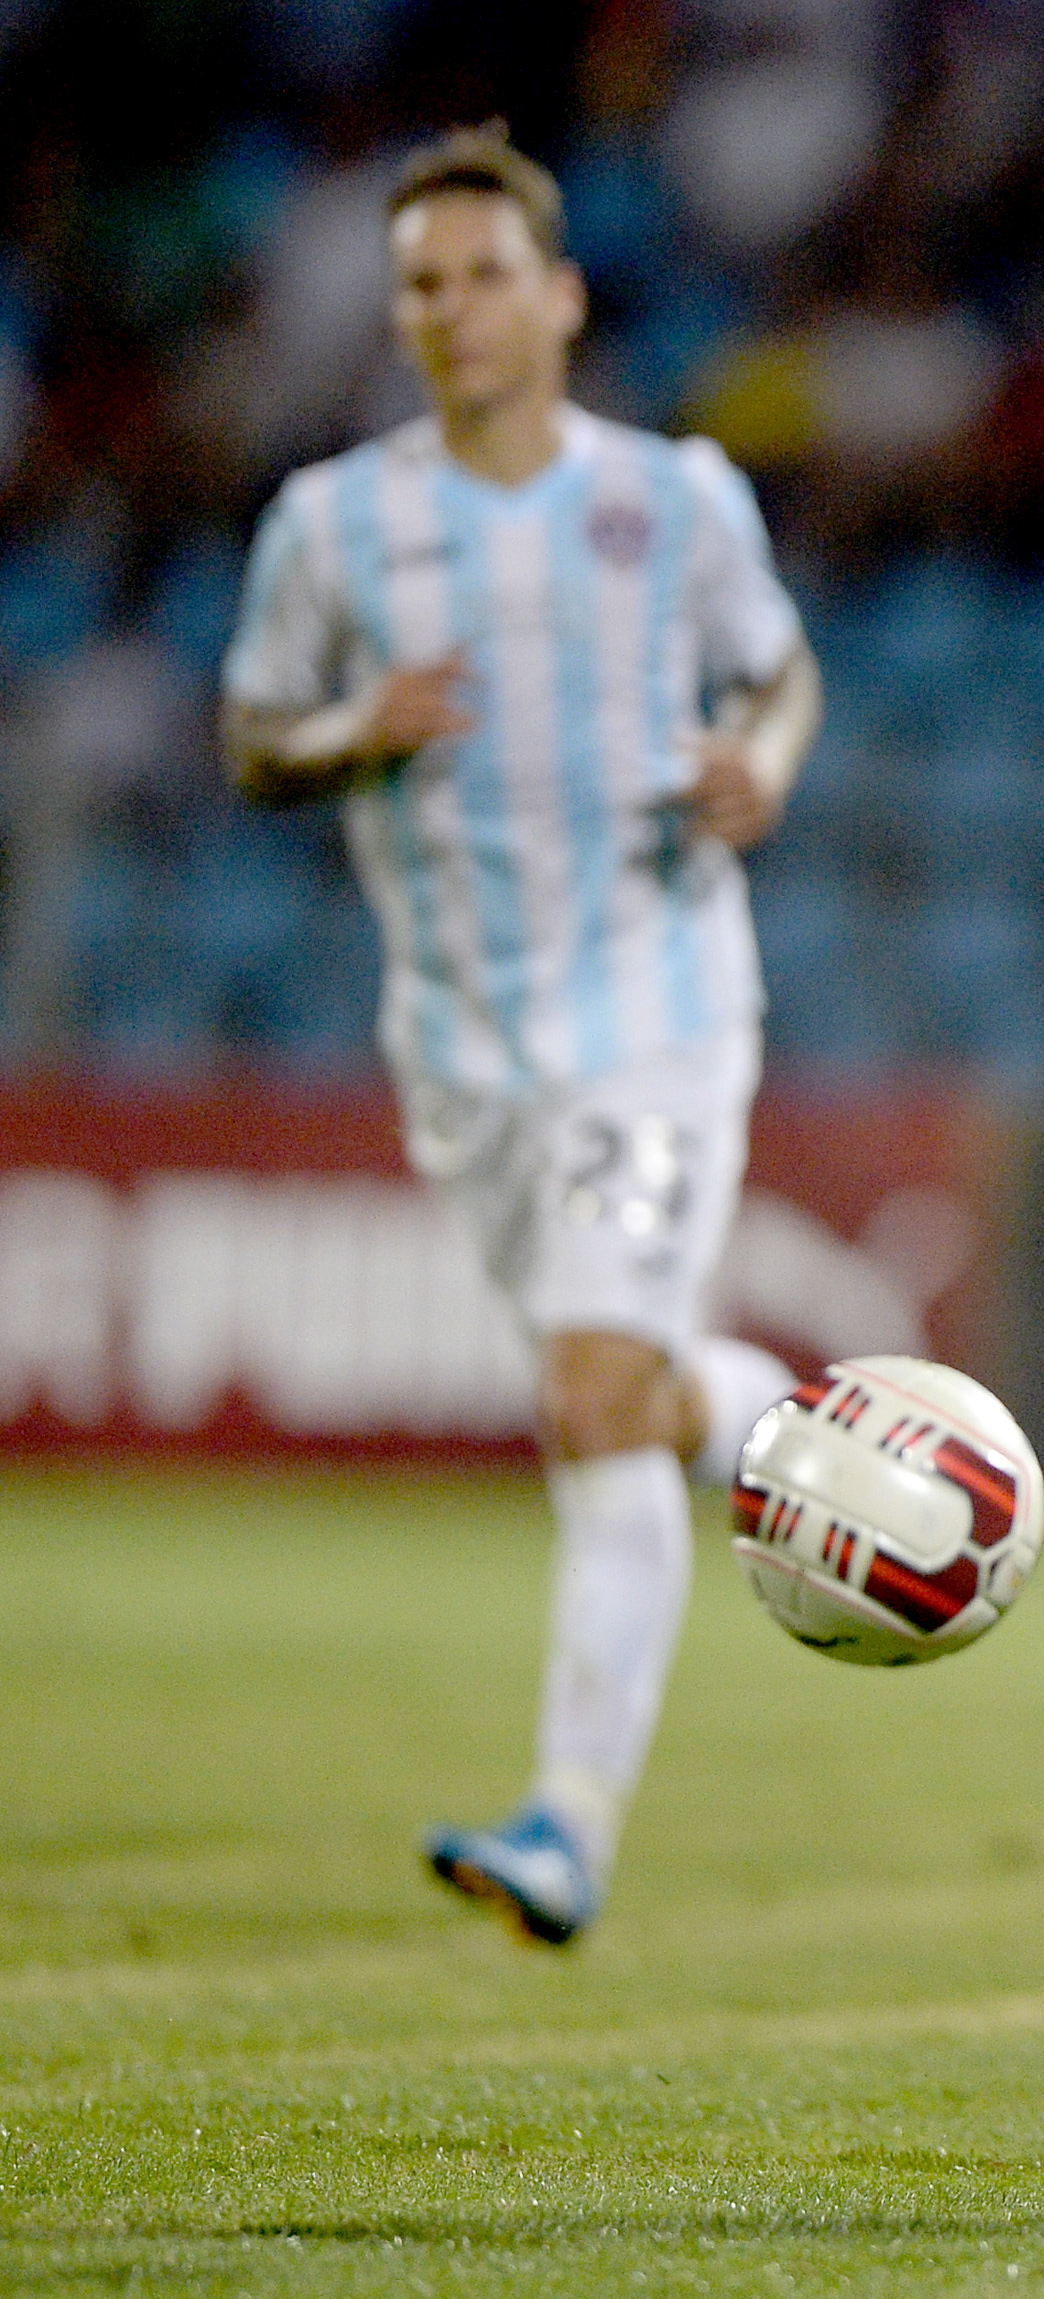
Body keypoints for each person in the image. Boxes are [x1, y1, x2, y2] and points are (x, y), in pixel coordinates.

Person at [219, 125, 822, 1945]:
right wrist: (352, 733)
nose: (453, 309)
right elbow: (253, 737)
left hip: (659, 1006)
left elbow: (778, 673)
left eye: (486, 275)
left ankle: (566, 1827)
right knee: (623, 1404)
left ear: (560, 299)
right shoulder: (333, 524)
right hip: (462, 1050)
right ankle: (779, 1416)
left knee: (579, 1396)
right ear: (395, 315)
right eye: (422, 283)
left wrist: (757, 771)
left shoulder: (681, 496)